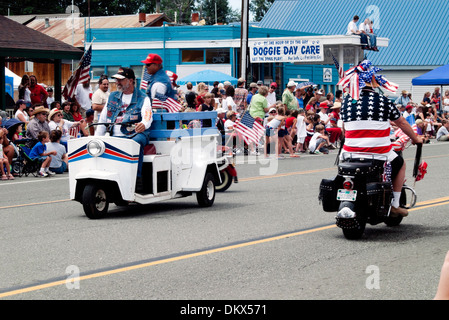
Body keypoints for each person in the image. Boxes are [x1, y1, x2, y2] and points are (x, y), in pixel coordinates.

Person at [338, 59, 423, 218]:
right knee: (400, 163)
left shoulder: (346, 102)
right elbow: (402, 123)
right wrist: (416, 138)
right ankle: (396, 205)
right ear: (371, 80)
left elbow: (347, 127)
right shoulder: (383, 101)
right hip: (378, 153)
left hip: (349, 153)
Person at [96, 67, 153, 179]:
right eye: (117, 80)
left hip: (134, 134)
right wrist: (97, 138)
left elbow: (147, 116)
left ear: (131, 80)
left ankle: (135, 178)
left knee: (134, 143)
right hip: (114, 134)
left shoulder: (143, 98)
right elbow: (103, 119)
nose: (117, 82)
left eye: (121, 79)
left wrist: (144, 124)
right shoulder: (112, 96)